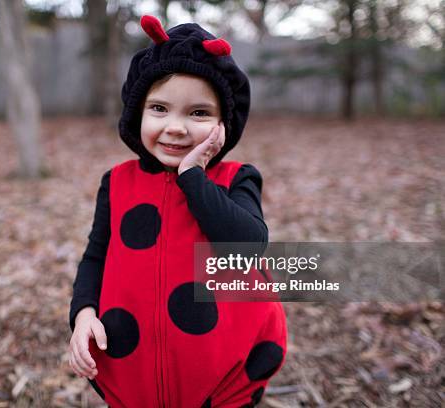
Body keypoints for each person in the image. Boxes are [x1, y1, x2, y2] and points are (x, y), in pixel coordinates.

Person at [68, 15, 287, 408]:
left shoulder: (236, 178)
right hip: (132, 366)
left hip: (222, 377)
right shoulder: (117, 183)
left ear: (224, 123)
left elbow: (248, 248)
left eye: (198, 113)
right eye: (159, 108)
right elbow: (96, 256)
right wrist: (83, 313)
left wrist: (193, 176)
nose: (176, 127)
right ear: (138, 112)